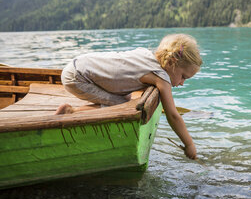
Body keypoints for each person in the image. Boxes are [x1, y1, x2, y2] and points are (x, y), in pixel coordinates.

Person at [55, 34, 202, 160]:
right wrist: (189, 144)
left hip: (78, 65)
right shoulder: (161, 77)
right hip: (78, 78)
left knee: (125, 99)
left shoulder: (145, 54)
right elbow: (173, 115)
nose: (182, 83)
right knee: (122, 107)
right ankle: (71, 112)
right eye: (183, 77)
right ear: (172, 63)